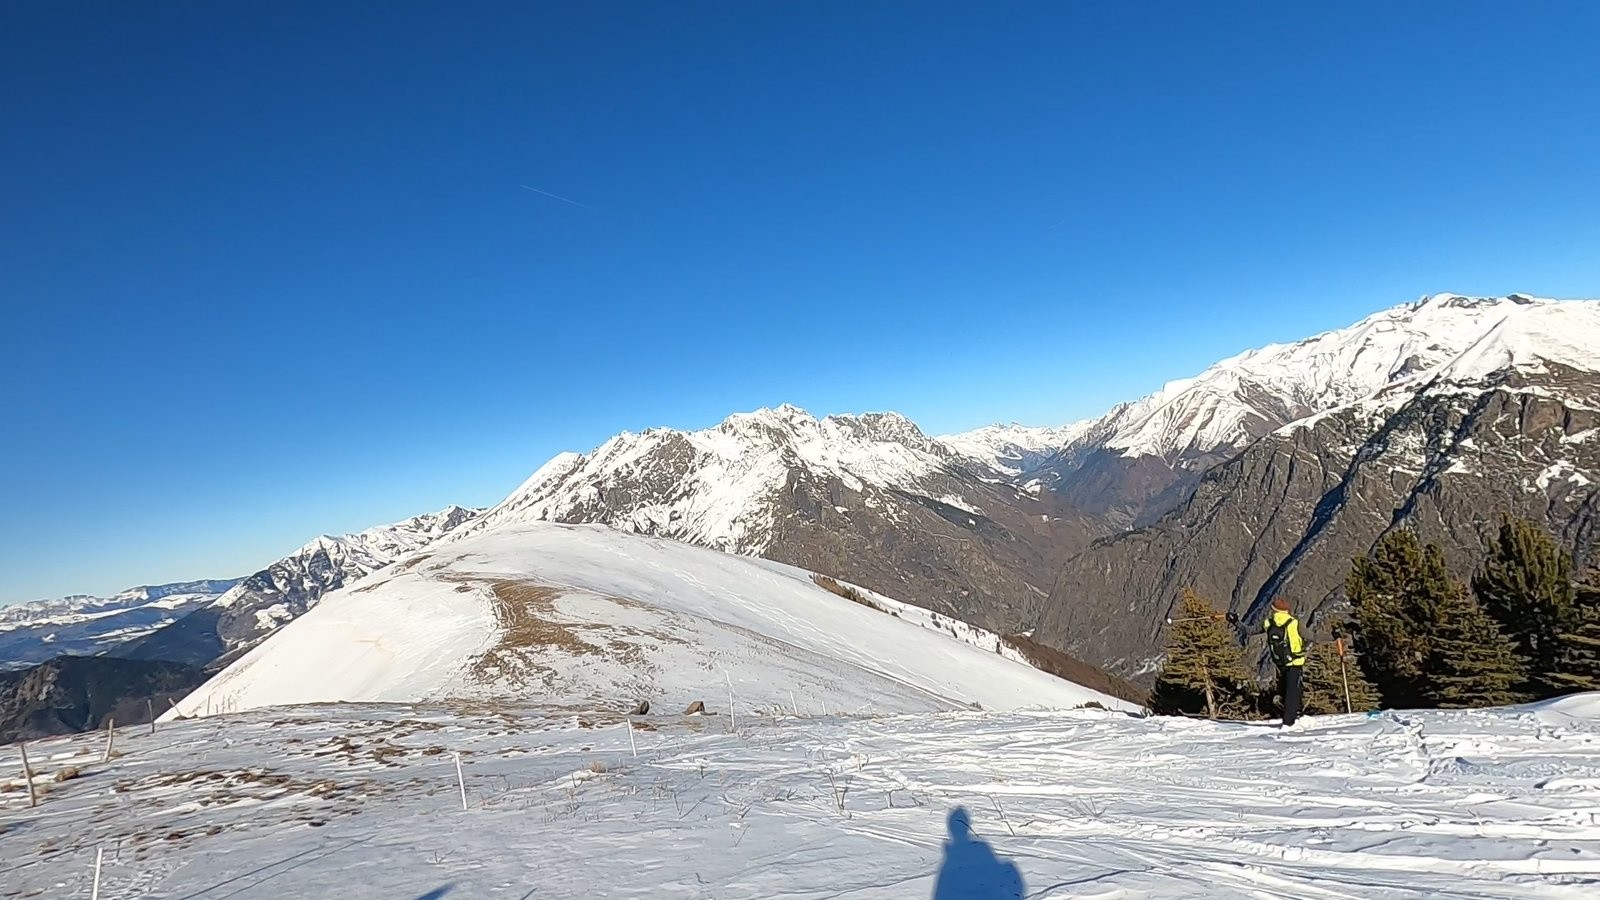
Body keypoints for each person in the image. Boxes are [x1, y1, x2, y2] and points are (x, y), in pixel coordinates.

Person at [1262, 597, 1307, 726]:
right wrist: (1333, 636)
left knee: (1287, 690)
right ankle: (1289, 723)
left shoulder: (1268, 623)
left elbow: (1249, 630)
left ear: (1273, 610)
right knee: (1293, 691)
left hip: (1280, 662)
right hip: (1295, 662)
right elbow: (1313, 636)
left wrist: (1236, 621)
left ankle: (1295, 714)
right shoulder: (1294, 623)